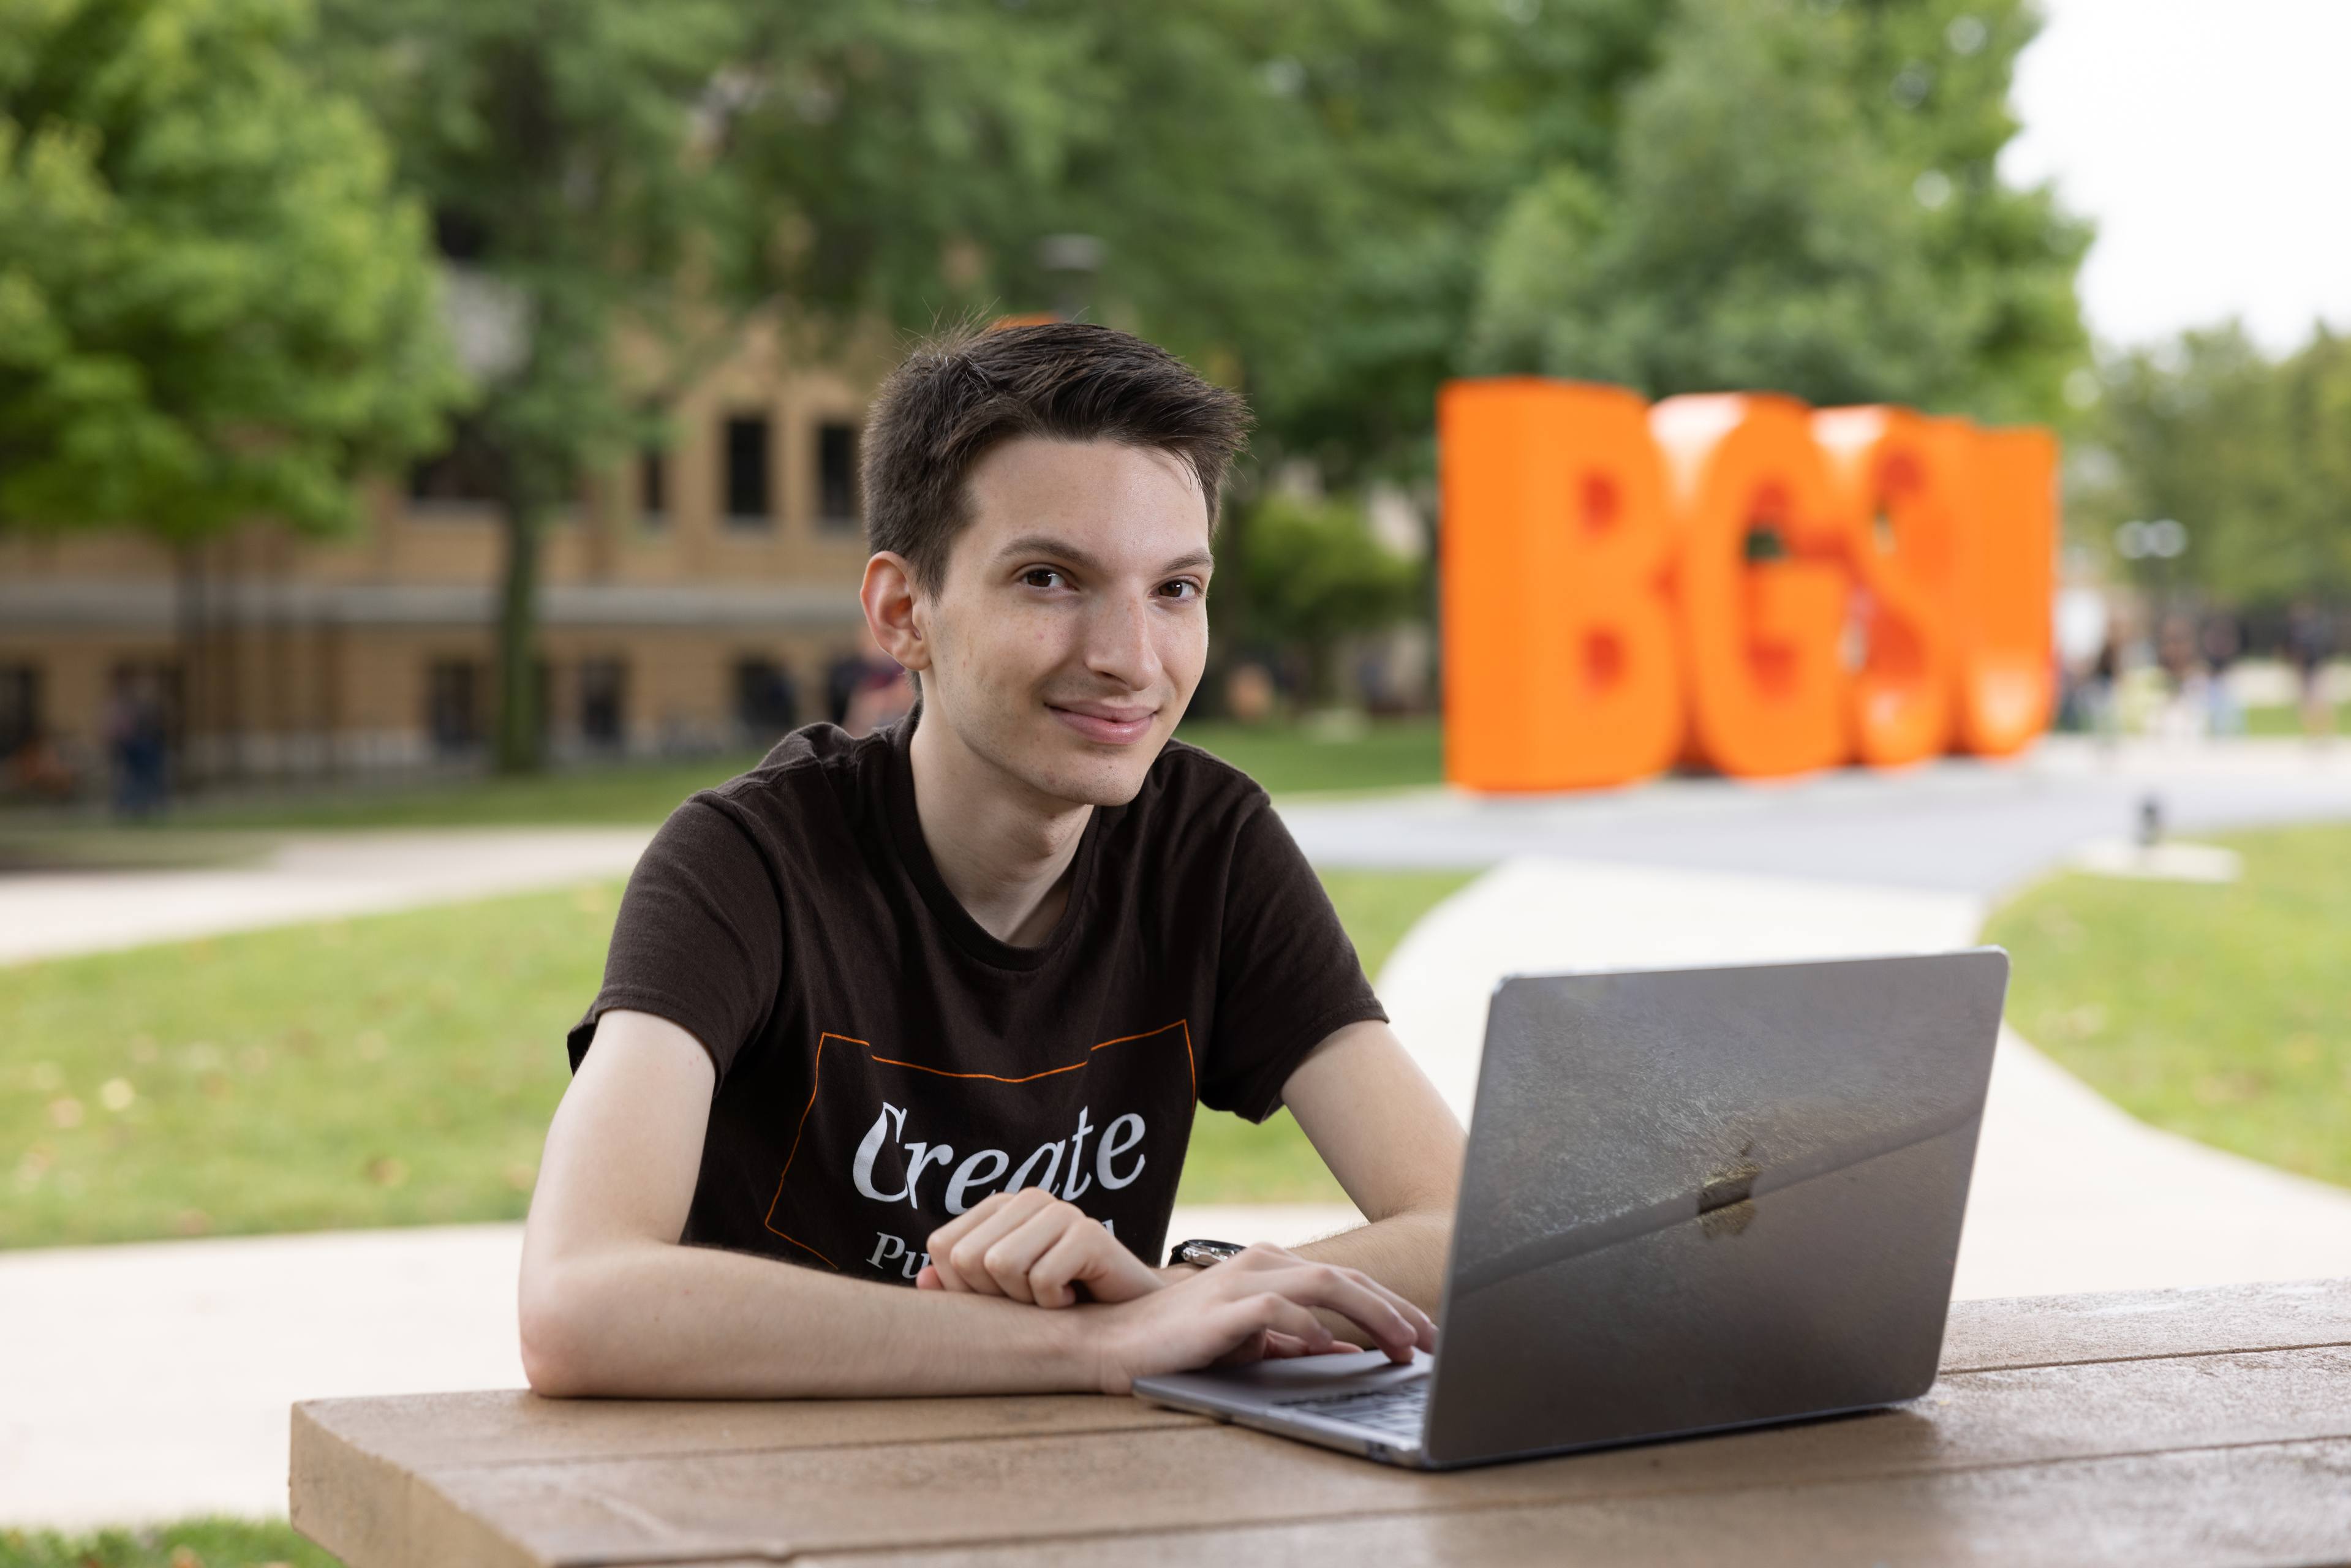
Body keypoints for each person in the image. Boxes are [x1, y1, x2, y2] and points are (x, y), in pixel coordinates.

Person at [519, 323, 1460, 1400]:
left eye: (1175, 590)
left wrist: (1168, 1297)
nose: (1128, 659)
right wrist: (1095, 1345)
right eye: (1050, 579)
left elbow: (1468, 1226)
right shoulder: (745, 864)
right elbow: (576, 1303)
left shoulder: (1207, 845)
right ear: (901, 612)